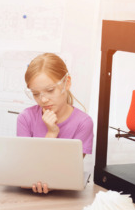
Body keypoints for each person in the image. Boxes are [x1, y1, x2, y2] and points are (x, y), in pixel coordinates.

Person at [16, 53, 94, 194]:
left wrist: (45, 178)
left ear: (67, 83)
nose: (43, 100)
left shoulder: (83, 123)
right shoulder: (26, 118)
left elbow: (68, 174)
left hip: (66, 200)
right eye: (36, 93)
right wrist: (51, 133)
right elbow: (24, 177)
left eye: (50, 90)